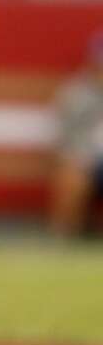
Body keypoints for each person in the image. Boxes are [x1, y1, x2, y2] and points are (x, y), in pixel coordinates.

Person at [49, 33, 103, 236]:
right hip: (87, 160)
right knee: (72, 173)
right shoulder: (76, 93)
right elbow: (65, 141)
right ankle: (65, 234)